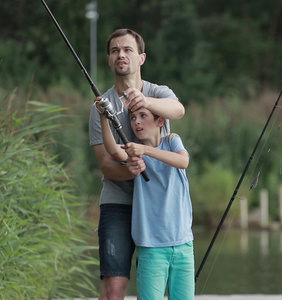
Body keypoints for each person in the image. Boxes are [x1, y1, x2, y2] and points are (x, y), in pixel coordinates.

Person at [88, 28, 185, 300]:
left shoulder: (159, 92)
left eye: (128, 49)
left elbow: (179, 110)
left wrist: (147, 101)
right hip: (118, 203)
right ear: (109, 59)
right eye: (115, 50)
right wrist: (126, 170)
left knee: (152, 288)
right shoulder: (99, 108)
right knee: (113, 287)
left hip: (157, 205)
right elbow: (106, 164)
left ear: (141, 58)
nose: (121, 55)